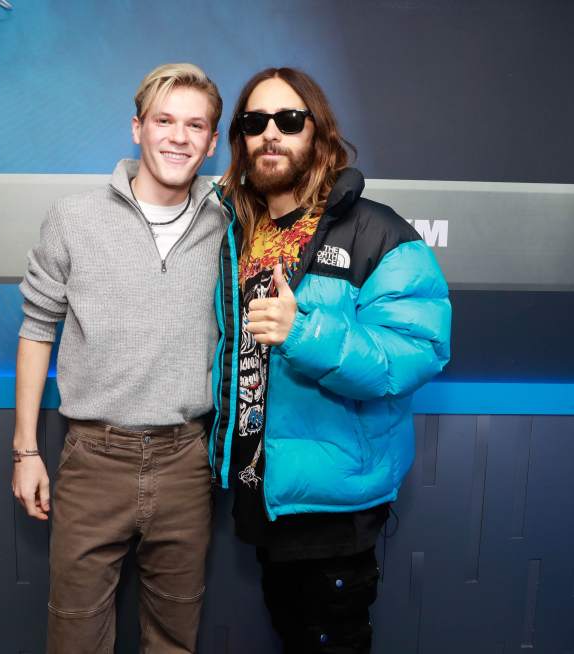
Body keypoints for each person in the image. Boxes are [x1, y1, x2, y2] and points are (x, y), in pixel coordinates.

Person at [210, 67, 451, 653]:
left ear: (318, 133)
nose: (271, 134)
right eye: (254, 122)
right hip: (262, 493)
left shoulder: (379, 231)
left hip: (335, 509)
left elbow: (416, 353)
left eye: (289, 120)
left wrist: (303, 332)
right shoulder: (238, 230)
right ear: (240, 140)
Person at [12, 63, 225, 653]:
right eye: (164, 120)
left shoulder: (230, 223)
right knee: (75, 636)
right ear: (137, 129)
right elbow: (36, 330)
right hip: (92, 460)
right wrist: (26, 450)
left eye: (195, 125)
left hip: (187, 460)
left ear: (211, 141)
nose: (178, 137)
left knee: (174, 638)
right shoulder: (74, 219)